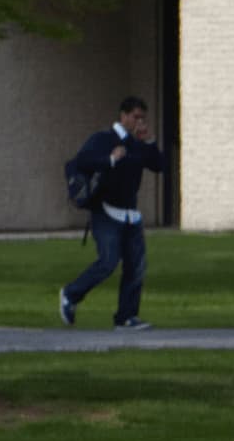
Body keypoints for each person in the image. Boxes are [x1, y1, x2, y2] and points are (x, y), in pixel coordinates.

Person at [60, 95, 168, 331]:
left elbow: (159, 166)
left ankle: (126, 317)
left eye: (143, 118)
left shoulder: (137, 144)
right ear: (124, 116)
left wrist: (149, 141)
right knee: (108, 262)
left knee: (135, 267)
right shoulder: (104, 139)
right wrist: (110, 159)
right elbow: (82, 162)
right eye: (136, 117)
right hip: (106, 213)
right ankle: (71, 294)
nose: (140, 122)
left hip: (130, 214)